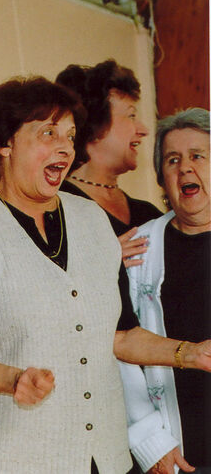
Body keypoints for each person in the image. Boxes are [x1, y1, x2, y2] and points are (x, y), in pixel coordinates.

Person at [0, 76, 211, 474]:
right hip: (1, 456)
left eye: (70, 136)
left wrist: (189, 352)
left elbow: (121, 335)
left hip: (99, 458)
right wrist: (12, 380)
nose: (64, 147)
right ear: (3, 143)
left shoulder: (92, 220)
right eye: (48, 133)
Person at [120, 108, 210, 474]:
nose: (185, 168)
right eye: (173, 160)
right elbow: (118, 348)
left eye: (198, 156)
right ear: (161, 178)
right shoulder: (137, 248)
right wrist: (148, 440)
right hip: (176, 454)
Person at [56, 60, 163, 268]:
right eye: (131, 115)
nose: (143, 129)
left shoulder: (149, 215)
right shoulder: (55, 211)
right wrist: (103, 265)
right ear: (96, 123)